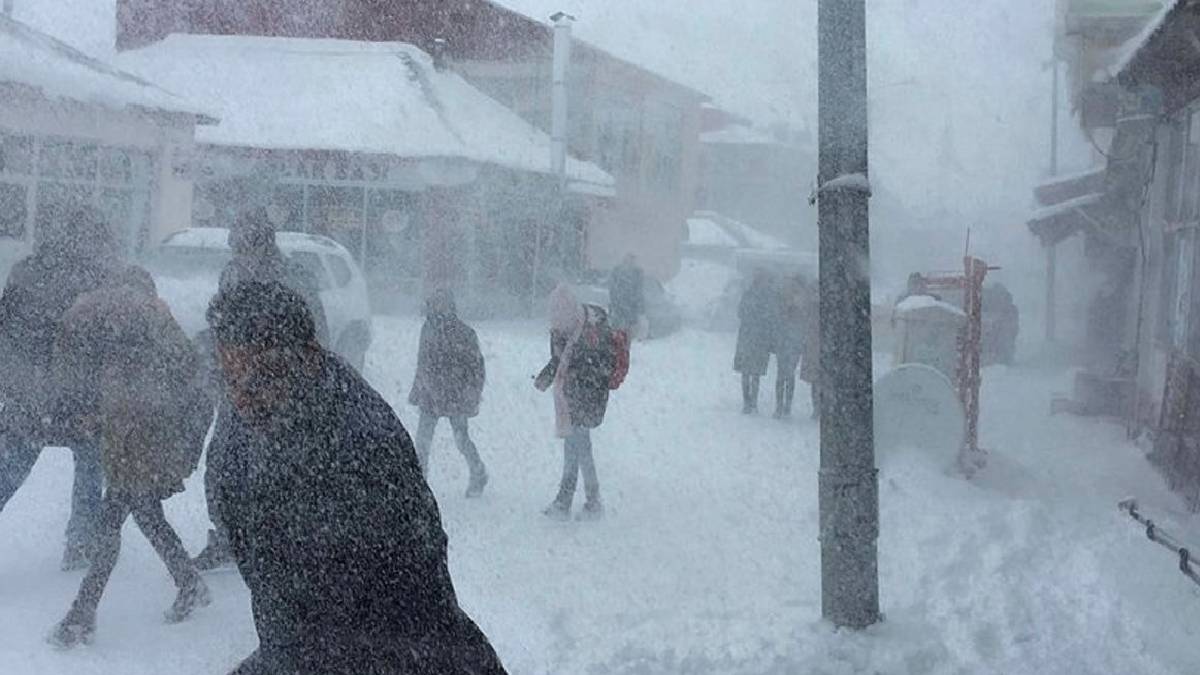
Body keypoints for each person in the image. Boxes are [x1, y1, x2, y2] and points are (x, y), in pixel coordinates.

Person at [205, 281, 508, 674]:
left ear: (309, 357)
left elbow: (392, 610)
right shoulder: (254, 419)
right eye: (231, 379)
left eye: (262, 376)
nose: (244, 397)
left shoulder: (361, 449)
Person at [48, 271, 212, 647]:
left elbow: (166, 388)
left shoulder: (149, 334)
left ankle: (82, 613)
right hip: (129, 447)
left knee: (112, 524)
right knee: (149, 516)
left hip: (141, 449)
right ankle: (188, 583)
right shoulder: (128, 333)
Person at [193, 206, 329, 571]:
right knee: (222, 465)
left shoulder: (293, 277)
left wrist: (305, 383)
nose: (237, 252)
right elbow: (222, 326)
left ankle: (276, 542)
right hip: (238, 390)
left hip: (280, 393)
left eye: (241, 244)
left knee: (276, 468)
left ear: (259, 243)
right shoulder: (233, 274)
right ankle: (226, 536)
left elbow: (313, 332)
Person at [0, 206, 120, 570]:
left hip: (33, 392)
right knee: (89, 461)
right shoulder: (94, 279)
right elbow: (102, 342)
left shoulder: (25, 273)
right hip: (75, 393)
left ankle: (82, 538)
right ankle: (81, 540)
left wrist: (12, 385)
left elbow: (5, 330)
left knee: (12, 464)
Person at [535, 284, 615, 521]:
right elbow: (558, 359)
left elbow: (600, 366)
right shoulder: (560, 329)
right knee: (580, 449)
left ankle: (573, 501)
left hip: (588, 398)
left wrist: (577, 377)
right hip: (569, 397)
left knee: (576, 449)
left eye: (561, 318)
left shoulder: (591, 331)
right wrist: (546, 378)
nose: (557, 325)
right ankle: (588, 500)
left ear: (570, 312)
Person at [409, 289, 489, 497]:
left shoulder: (464, 332)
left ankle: (478, 472)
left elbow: (476, 367)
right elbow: (422, 361)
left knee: (461, 439)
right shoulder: (427, 328)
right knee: (422, 442)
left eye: (442, 303)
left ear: (451, 305)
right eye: (435, 303)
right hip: (430, 393)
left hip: (456, 395)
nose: (438, 307)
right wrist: (419, 389)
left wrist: (472, 392)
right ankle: (419, 482)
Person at [734, 269, 779, 414]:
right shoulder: (764, 297)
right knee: (750, 372)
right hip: (755, 338)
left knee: (751, 372)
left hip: (752, 338)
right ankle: (750, 402)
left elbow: (740, 313)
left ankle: (750, 402)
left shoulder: (752, 295)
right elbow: (741, 312)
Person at [774, 275, 810, 419]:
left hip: (792, 343)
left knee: (787, 375)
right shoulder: (784, 300)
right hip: (786, 342)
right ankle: (780, 406)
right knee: (783, 375)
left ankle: (785, 406)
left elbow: (802, 322)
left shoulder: (802, 301)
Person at [798, 281, 823, 421]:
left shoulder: (809, 306)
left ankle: (817, 408)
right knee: (817, 381)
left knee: (816, 381)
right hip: (815, 347)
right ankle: (817, 408)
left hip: (814, 347)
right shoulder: (811, 306)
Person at [608, 253, 645, 334]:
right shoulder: (617, 271)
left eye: (632, 260)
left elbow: (639, 289)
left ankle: (627, 337)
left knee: (630, 324)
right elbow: (613, 287)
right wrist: (614, 300)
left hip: (631, 304)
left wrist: (639, 303)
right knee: (618, 324)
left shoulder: (638, 273)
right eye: (628, 259)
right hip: (619, 303)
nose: (630, 262)